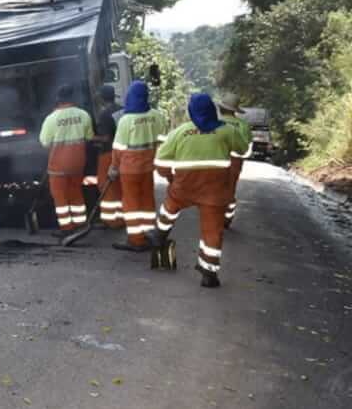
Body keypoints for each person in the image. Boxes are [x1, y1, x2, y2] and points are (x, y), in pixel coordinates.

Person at [152, 93, 249, 288]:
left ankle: (159, 235)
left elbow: (160, 162)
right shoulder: (227, 131)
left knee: (170, 206)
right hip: (215, 188)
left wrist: (170, 178)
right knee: (212, 231)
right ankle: (209, 273)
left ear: (191, 111)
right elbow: (244, 150)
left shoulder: (181, 132)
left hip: (184, 185)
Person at [109, 81, 168, 252]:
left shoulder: (126, 120)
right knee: (147, 200)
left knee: (131, 203)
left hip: (129, 169)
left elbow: (118, 148)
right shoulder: (157, 115)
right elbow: (162, 140)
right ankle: (149, 234)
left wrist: (114, 167)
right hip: (148, 166)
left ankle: (135, 240)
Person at [38, 85, 95, 236]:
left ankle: (67, 228)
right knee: (76, 192)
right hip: (78, 163)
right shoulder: (83, 115)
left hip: (58, 165)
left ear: (58, 100)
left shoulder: (51, 118)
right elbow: (89, 137)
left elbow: (44, 142)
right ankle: (80, 224)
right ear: (72, 98)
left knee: (60, 196)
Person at [217, 92, 252, 228]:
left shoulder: (215, 121)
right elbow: (246, 145)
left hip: (217, 158)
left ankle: (213, 214)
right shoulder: (243, 125)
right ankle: (227, 218)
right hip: (235, 162)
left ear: (221, 108)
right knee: (230, 190)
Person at [93, 85, 124, 230]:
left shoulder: (105, 114)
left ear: (101, 98)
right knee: (119, 186)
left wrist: (91, 138)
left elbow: (105, 138)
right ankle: (122, 216)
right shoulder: (122, 109)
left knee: (106, 185)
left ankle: (111, 220)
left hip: (108, 153)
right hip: (122, 152)